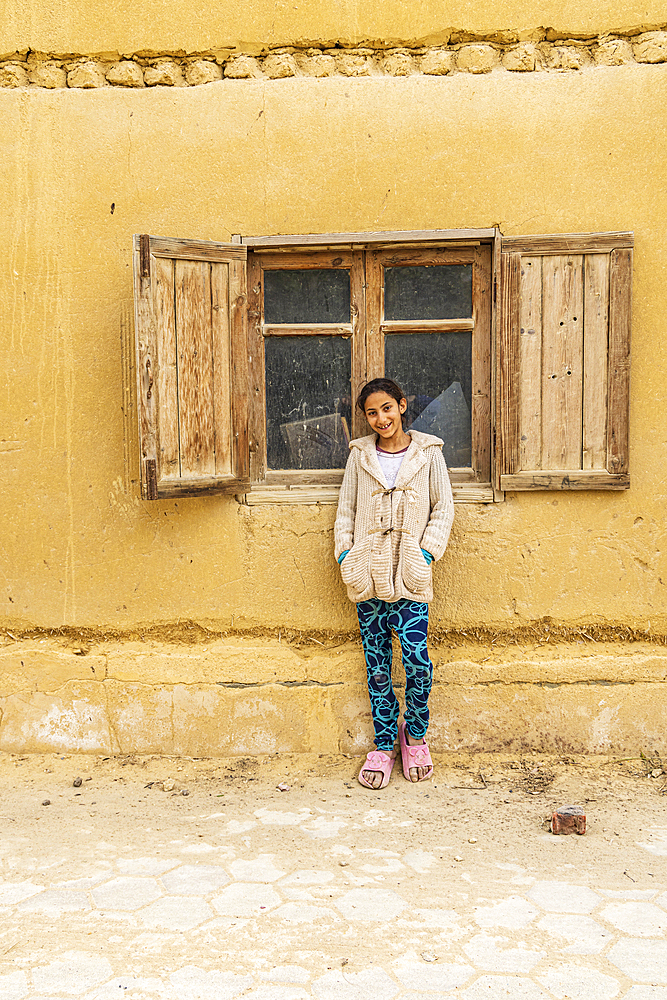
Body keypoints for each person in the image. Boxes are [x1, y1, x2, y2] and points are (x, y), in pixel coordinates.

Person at [334, 378, 455, 789]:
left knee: (417, 662)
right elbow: (345, 511)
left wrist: (425, 554)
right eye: (371, 412)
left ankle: (415, 736)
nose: (381, 418)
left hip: (409, 579)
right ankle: (385, 743)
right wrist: (345, 556)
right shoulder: (360, 457)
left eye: (387, 408)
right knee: (377, 665)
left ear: (402, 406)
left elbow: (443, 510)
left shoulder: (428, 454)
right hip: (367, 578)